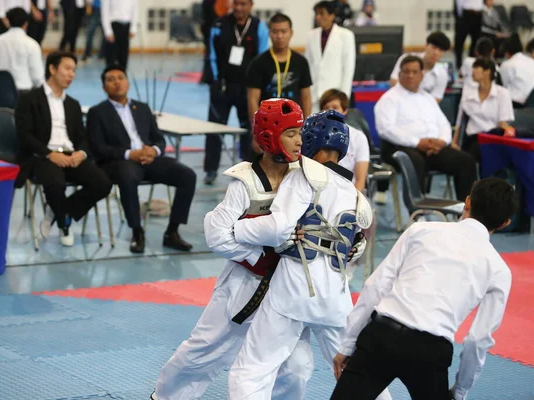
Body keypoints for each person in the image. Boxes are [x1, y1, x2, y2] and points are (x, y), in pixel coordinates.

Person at [151, 99, 315, 400]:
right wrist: (258, 255)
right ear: (269, 136)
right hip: (244, 286)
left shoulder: (304, 175)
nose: (299, 140)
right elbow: (217, 236)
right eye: (291, 133)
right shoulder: (246, 182)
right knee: (203, 351)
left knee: (296, 366)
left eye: (300, 131)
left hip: (288, 287)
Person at [227, 110, 390, 400]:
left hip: (293, 290)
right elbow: (356, 248)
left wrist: (236, 229)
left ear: (311, 140)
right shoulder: (356, 196)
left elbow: (278, 227)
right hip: (336, 297)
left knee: (252, 371)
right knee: (358, 371)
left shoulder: (303, 177)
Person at [330, 177, 516, 400]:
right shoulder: (499, 270)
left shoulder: (421, 230)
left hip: (382, 335)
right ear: (505, 222)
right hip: (429, 352)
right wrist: (460, 391)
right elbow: (478, 339)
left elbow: (375, 287)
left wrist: (348, 344)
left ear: (467, 202)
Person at [87, 66, 196, 253]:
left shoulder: (142, 108)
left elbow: (159, 139)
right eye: (111, 79)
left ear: (127, 82)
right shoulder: (97, 112)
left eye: (120, 77)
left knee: (188, 175)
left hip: (148, 158)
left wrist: (153, 150)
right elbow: (98, 148)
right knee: (127, 176)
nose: (117, 82)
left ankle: (172, 231)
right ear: (104, 87)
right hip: (122, 161)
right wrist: (130, 153)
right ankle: (137, 231)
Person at [15, 51, 112, 246]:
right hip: (43, 155)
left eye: (74, 71)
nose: (72, 75)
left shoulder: (73, 105)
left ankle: (61, 209)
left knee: (103, 183)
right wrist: (50, 154)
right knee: (55, 183)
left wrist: (81, 154)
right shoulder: (29, 99)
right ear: (52, 69)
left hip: (70, 155)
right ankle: (63, 223)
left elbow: (82, 138)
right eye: (67, 69)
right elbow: (25, 136)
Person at [375, 55, 477, 204]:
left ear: (421, 75)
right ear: (399, 74)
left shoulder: (427, 98)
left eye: (415, 72)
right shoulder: (389, 99)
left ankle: (467, 210)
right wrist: (417, 142)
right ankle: (418, 210)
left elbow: (444, 124)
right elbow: (386, 129)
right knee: (414, 159)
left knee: (466, 161)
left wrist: (441, 141)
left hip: (432, 148)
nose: (410, 75)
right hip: (399, 148)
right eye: (406, 71)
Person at [203, 0, 269, 185]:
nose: (239, 8)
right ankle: (210, 169)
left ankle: (249, 167)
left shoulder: (259, 27)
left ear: (251, 5)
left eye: (243, 4)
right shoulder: (218, 25)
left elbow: (263, 56)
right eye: (236, 4)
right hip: (223, 86)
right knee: (215, 128)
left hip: (248, 89)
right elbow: (212, 55)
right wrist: (215, 80)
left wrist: (259, 84)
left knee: (249, 128)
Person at [246, 13, 313, 122]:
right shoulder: (258, 63)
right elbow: (253, 100)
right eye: (275, 32)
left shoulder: (301, 62)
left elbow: (306, 97)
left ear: (291, 33)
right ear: (269, 33)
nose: (279, 36)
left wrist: (305, 125)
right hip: (267, 123)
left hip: (293, 123)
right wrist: (256, 128)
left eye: (284, 31)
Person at [453, 58, 514, 162]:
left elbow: (503, 123)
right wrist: (454, 141)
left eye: (477, 68)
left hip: (493, 138)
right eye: (473, 68)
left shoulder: (502, 93)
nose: (473, 71)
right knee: (474, 151)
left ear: (487, 71)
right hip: (473, 137)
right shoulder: (468, 94)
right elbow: (460, 121)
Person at [305, 1, 356, 113]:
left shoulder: (346, 35)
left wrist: (343, 99)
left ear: (332, 15)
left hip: (334, 96)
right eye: (316, 14)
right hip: (314, 96)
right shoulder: (311, 35)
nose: (318, 17)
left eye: (322, 13)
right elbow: (307, 66)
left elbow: (348, 69)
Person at [320, 89, 369, 192]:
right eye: (325, 108)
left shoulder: (358, 137)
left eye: (335, 107)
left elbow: (360, 182)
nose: (330, 111)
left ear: (344, 110)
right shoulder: (315, 136)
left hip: (350, 192)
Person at [0, 7, 45, 91]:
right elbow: (37, 77)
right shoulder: (31, 44)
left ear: (8, 21)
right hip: (23, 94)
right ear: (26, 23)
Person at [390, 31, 451, 102]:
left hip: (423, 109)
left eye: (441, 50)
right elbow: (394, 81)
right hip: (399, 101)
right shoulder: (407, 59)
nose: (436, 53)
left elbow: (436, 99)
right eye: (434, 48)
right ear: (426, 45)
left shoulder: (442, 74)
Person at [102, 0, 139, 69]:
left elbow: (135, 10)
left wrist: (133, 28)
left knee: (123, 58)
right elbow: (105, 12)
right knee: (111, 59)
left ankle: (122, 76)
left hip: (126, 27)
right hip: (113, 26)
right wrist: (108, 31)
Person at [499, 35, 534, 108]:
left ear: (506, 53)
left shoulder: (507, 64)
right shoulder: (531, 62)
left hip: (516, 105)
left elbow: (501, 86)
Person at [454, 0, 483, 68]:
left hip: (478, 14)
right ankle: (459, 64)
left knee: (476, 41)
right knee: (460, 41)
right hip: (466, 14)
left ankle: (471, 63)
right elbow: (459, 3)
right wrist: (459, 17)